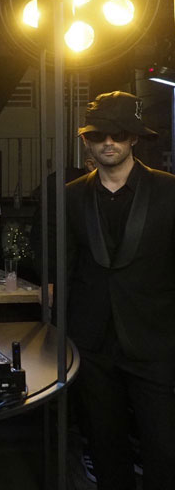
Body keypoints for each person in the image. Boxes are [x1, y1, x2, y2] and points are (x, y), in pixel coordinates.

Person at [67, 91, 175, 490]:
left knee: (164, 448)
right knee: (105, 448)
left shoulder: (169, 190)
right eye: (98, 135)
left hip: (155, 341)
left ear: (134, 138)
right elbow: (63, 267)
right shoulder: (71, 195)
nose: (108, 142)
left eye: (119, 133)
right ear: (87, 140)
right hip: (93, 343)